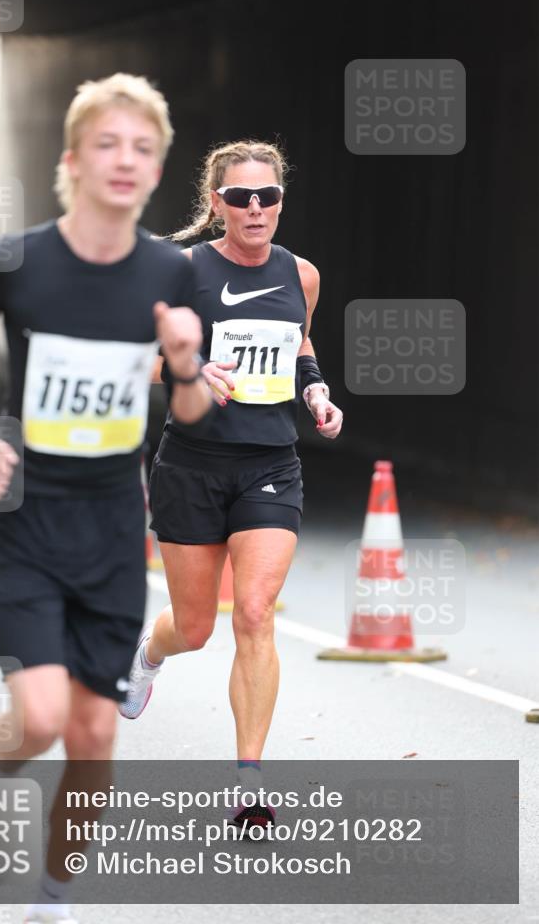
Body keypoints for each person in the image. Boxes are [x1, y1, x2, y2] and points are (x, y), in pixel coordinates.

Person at [0, 73, 211, 924]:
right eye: (108, 144)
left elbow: (190, 410)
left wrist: (185, 364)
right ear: (72, 161)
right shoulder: (18, 260)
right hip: (29, 521)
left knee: (92, 736)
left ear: (157, 173)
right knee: (38, 720)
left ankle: (52, 899)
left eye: (143, 149)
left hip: (115, 528)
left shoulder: (168, 273)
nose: (125, 161)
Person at [119, 140, 343, 832]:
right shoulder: (178, 270)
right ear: (215, 203)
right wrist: (188, 373)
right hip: (189, 465)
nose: (254, 209)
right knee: (193, 626)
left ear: (281, 202)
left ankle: (248, 780)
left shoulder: (299, 274)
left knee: (253, 612)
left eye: (266, 196)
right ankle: (146, 655)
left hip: (269, 464)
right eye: (239, 197)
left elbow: (298, 345)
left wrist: (315, 394)